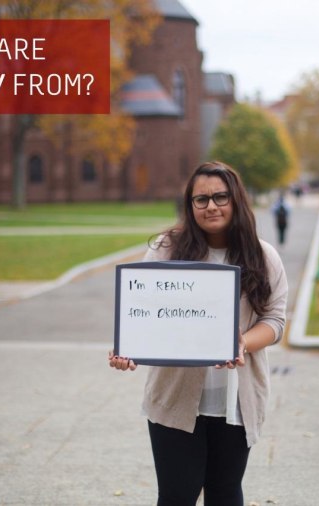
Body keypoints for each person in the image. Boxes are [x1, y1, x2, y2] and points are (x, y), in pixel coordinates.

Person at [109, 161, 288, 506]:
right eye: (200, 199)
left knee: (225, 495)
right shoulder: (166, 249)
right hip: (175, 397)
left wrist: (241, 343)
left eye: (220, 197)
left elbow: (275, 321)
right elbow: (140, 310)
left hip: (236, 399)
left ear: (236, 200)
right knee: (177, 495)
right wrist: (126, 347)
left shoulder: (264, 256)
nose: (211, 206)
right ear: (190, 206)